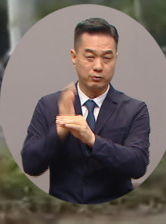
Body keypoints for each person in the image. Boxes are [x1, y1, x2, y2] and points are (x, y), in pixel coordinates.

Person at [19, 17, 150, 204]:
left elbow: (138, 165)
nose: (98, 66)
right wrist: (61, 128)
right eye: (90, 57)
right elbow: (30, 164)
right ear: (74, 57)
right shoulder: (48, 105)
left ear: (115, 59)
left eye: (107, 58)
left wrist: (92, 140)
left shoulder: (134, 109)